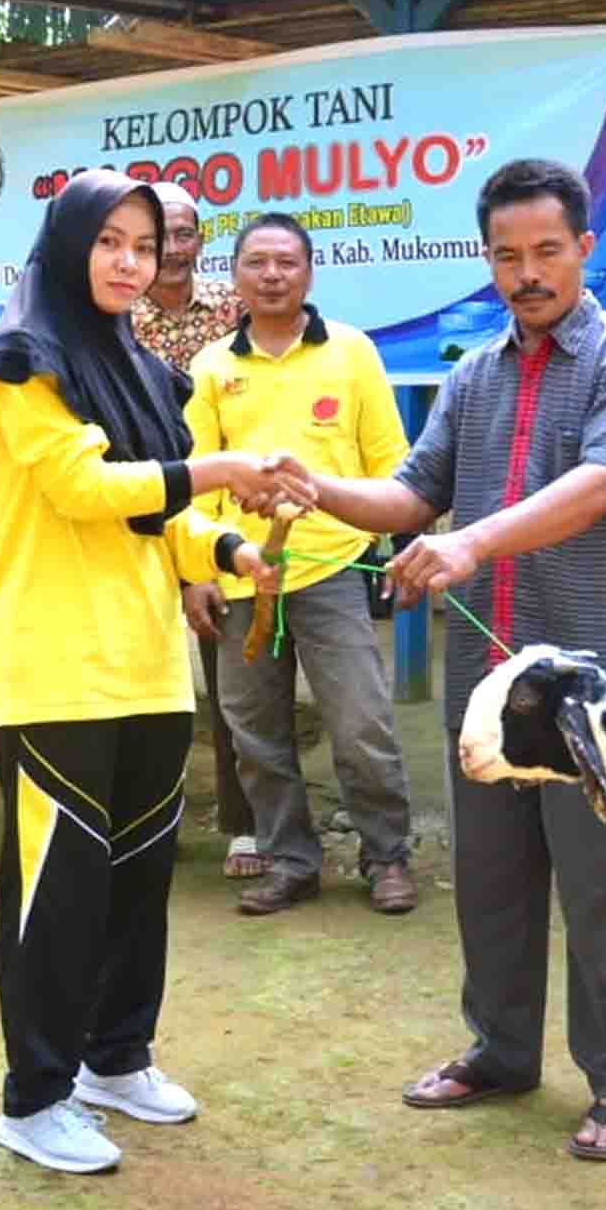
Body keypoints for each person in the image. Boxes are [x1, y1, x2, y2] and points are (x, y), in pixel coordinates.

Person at [258, 158, 606, 1162]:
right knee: (491, 874)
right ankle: (500, 1052)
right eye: (505, 255)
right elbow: (410, 495)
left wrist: (473, 540)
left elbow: (604, 482)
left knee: (604, 880)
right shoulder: (473, 373)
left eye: (545, 251)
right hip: (487, 680)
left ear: (584, 248)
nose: (525, 272)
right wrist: (314, 486)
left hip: (590, 678)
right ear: (485, 259)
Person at [0, 169, 288, 1173]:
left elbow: (158, 514)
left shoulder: (142, 369)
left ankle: (115, 1056)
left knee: (137, 883)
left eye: (143, 247)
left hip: (148, 669)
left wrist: (230, 551)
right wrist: (223, 474)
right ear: (67, 246)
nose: (128, 261)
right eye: (108, 241)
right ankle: (34, 1096)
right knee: (54, 897)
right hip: (57, 670)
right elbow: (76, 486)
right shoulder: (17, 361)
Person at [184, 213, 418, 917]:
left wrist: (402, 544)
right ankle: (290, 860)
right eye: (257, 262)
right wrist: (197, 572)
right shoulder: (212, 367)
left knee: (361, 724)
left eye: (287, 262)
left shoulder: (351, 353)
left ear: (309, 272)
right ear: (236, 277)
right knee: (255, 734)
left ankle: (386, 857)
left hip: (332, 569)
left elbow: (394, 464)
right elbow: (190, 480)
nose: (273, 275)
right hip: (241, 577)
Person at [129, 179, 261, 881]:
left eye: (184, 236)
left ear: (200, 241)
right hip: (136, 513)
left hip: (220, 517)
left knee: (230, 679)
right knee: (140, 678)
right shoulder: (115, 315)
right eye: (160, 239)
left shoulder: (238, 309)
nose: (173, 252)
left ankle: (243, 825)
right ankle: (149, 821)